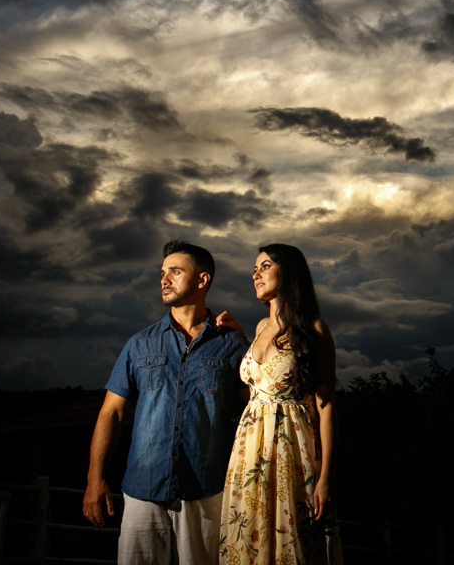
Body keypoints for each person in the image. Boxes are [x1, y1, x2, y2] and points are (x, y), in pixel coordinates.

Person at [84, 240, 249, 564]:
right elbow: (111, 413)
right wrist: (94, 478)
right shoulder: (140, 344)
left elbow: (254, 413)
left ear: (202, 280)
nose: (164, 279)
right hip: (142, 489)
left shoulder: (232, 345)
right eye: (162, 273)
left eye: (175, 272)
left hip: (206, 491)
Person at [219, 243, 340, 564]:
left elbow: (327, 405)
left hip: (292, 447)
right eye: (254, 268)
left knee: (292, 539)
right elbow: (262, 383)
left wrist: (325, 478)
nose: (255, 274)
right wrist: (239, 335)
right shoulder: (260, 327)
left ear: (288, 272)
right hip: (249, 449)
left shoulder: (314, 328)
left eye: (265, 266)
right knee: (248, 535)